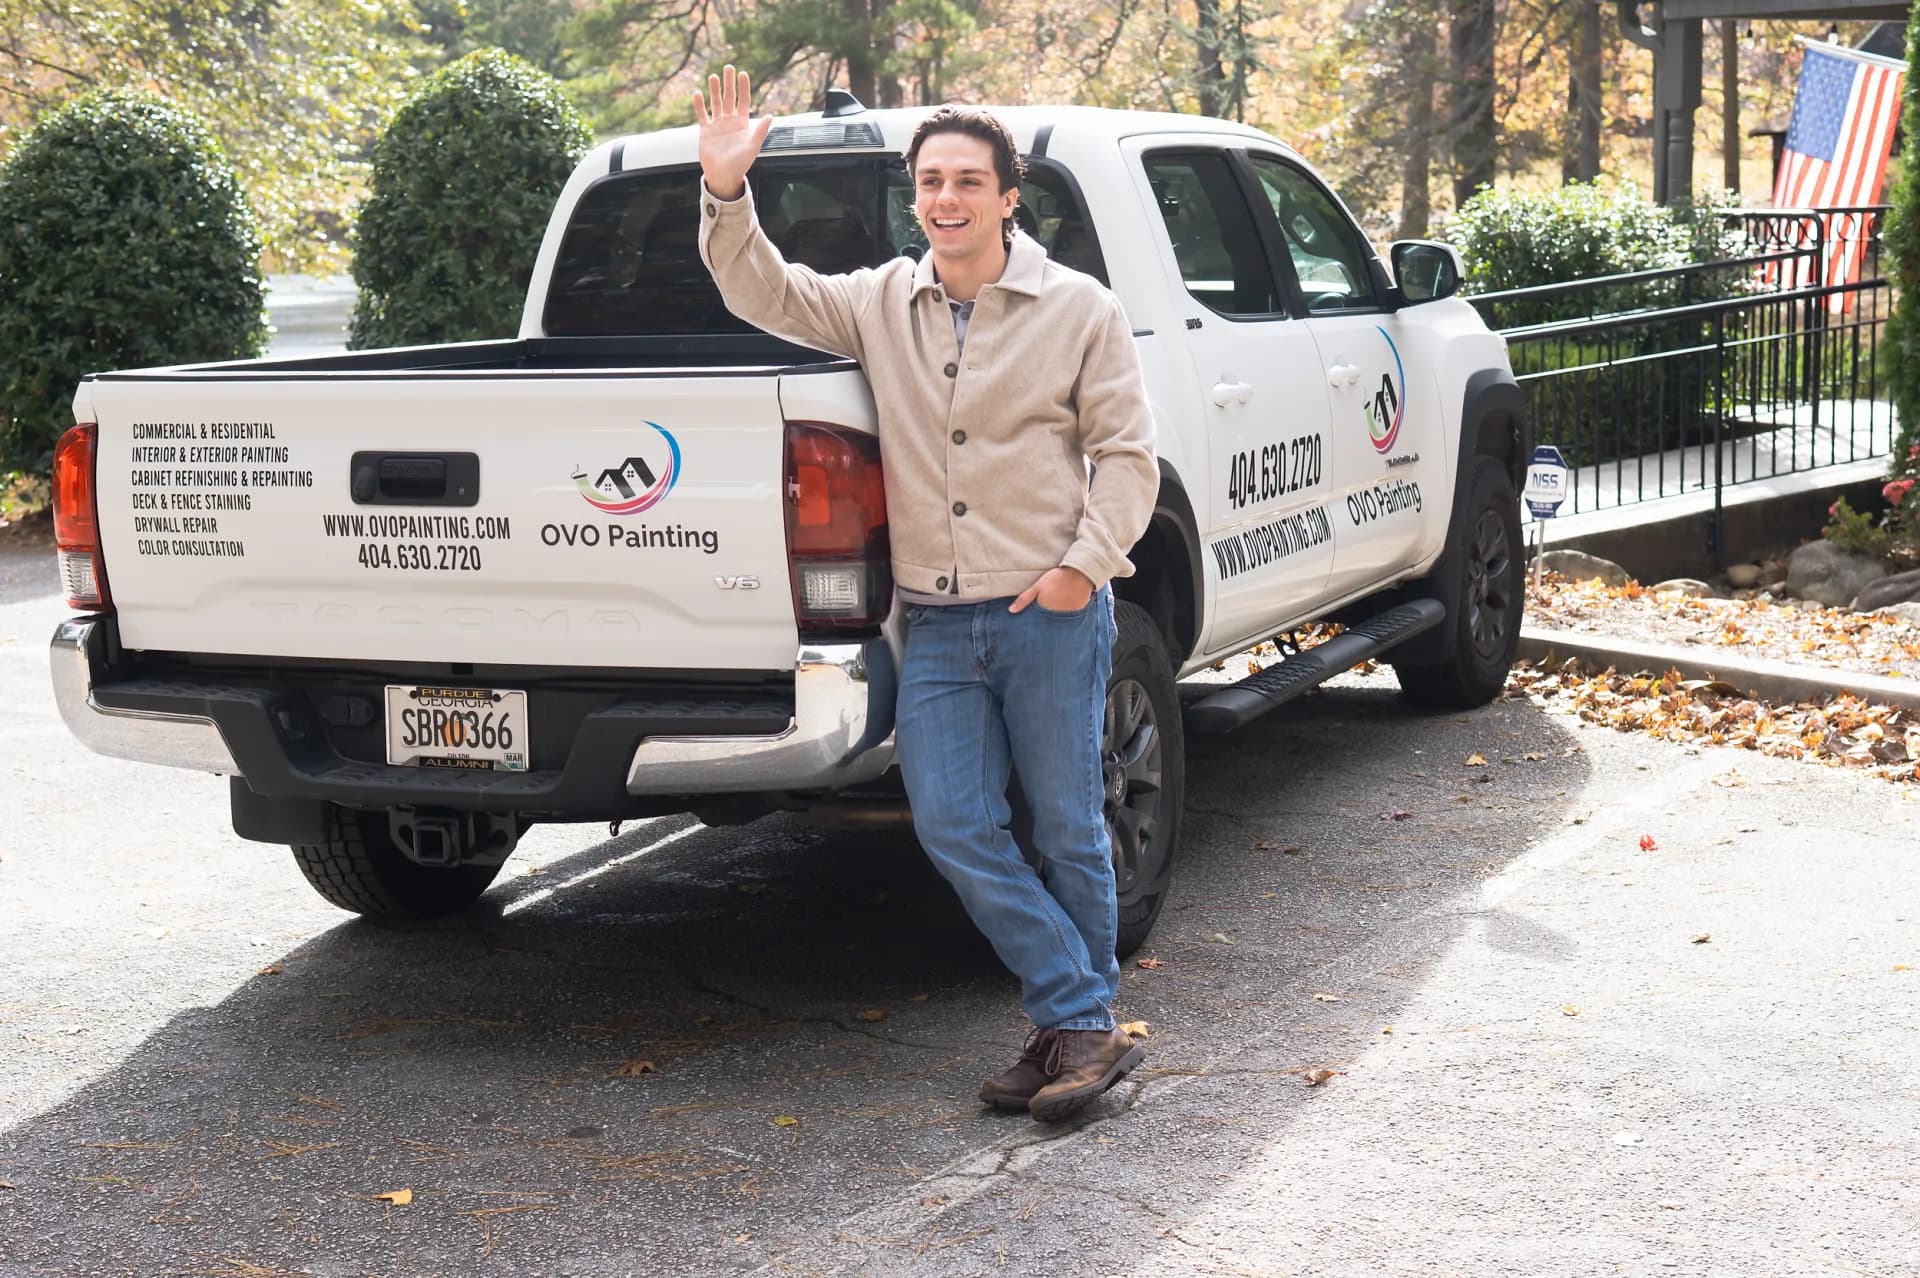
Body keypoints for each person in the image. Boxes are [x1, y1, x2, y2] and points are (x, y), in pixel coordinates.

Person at [693, 68, 1157, 1121]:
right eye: (930, 181)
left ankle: (1066, 1034)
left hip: (1050, 609)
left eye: (967, 181)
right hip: (940, 622)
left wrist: (1080, 566)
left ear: (1007, 196)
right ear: (915, 196)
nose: (945, 198)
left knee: (1070, 826)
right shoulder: (877, 301)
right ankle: (1083, 1018)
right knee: (953, 824)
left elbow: (1127, 456)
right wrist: (728, 193)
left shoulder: (1079, 309)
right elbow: (761, 289)